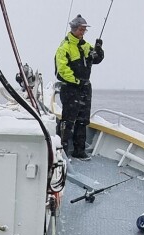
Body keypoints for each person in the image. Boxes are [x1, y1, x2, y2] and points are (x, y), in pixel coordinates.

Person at [55, 14, 104, 159]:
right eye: (81, 29)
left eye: (84, 30)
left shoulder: (86, 46)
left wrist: (99, 50)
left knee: (83, 119)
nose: (83, 32)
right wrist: (77, 81)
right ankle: (61, 150)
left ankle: (79, 150)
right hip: (71, 88)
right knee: (68, 119)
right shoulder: (64, 47)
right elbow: (62, 70)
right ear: (74, 29)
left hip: (85, 88)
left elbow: (96, 59)